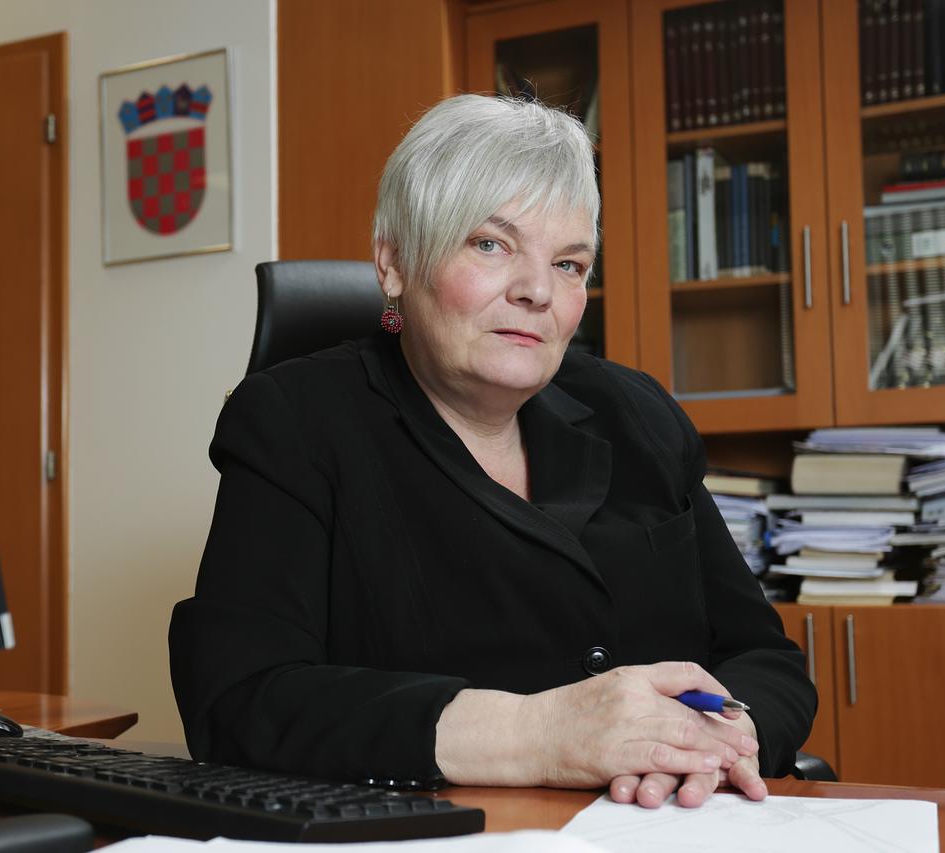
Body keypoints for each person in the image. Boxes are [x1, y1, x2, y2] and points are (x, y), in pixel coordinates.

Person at [170, 94, 816, 809]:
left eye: (569, 263)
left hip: (670, 820)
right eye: (491, 244)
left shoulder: (638, 414)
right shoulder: (295, 421)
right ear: (393, 262)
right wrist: (541, 733)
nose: (538, 291)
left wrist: (720, 738)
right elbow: (241, 697)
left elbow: (766, 659)